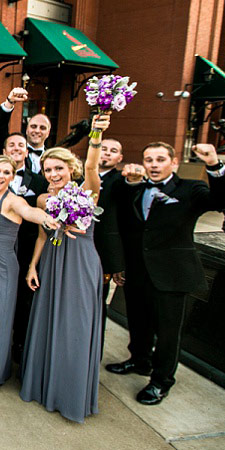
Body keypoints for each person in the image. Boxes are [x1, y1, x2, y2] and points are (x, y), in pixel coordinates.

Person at [106, 141, 225, 405]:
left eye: (160, 159)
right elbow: (117, 213)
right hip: (136, 271)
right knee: (138, 321)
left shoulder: (190, 189)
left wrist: (214, 164)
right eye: (149, 159)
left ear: (173, 163)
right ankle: (139, 361)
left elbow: (222, 200)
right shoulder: (135, 187)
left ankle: (161, 381)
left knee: (167, 332)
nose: (153, 165)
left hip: (171, 274)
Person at [19, 114, 109, 423]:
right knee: (49, 321)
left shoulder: (87, 191)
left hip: (81, 263)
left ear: (71, 169)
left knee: (76, 324)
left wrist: (96, 135)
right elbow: (44, 232)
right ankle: (47, 387)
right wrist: (32, 265)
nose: (54, 173)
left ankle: (71, 392)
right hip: (53, 262)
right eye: (48, 169)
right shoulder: (45, 198)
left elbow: (94, 168)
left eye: (59, 168)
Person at [0, 154, 58, 392]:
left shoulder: (14, 201)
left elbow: (32, 213)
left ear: (12, 176)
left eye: (6, 173)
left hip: (1, 266)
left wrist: (48, 218)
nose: (0, 176)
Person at [5, 131, 50, 364]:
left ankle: (20, 346)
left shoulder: (40, 181)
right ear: (4, 151)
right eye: (11, 145)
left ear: (27, 150)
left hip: (26, 248)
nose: (16, 148)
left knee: (24, 299)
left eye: (20, 145)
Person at [95, 138, 126, 354]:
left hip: (102, 256)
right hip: (73, 251)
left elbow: (124, 225)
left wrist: (118, 263)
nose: (106, 153)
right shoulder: (77, 177)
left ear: (119, 158)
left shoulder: (121, 183)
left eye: (112, 151)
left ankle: (93, 350)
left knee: (97, 305)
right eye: (103, 148)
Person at [0, 87, 51, 175]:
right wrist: (9, 102)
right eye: (33, 126)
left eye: (42, 128)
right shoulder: (12, 151)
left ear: (48, 133)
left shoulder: (52, 158)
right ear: (27, 130)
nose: (37, 131)